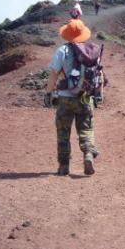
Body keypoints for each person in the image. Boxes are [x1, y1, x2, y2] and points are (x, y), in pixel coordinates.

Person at [43, 19, 99, 176]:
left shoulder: (62, 50)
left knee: (63, 131)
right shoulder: (92, 52)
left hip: (65, 98)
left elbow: (54, 73)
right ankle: (88, 155)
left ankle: (63, 166)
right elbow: (98, 74)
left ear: (67, 34)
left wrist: (48, 93)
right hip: (85, 97)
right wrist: (98, 95)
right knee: (86, 128)